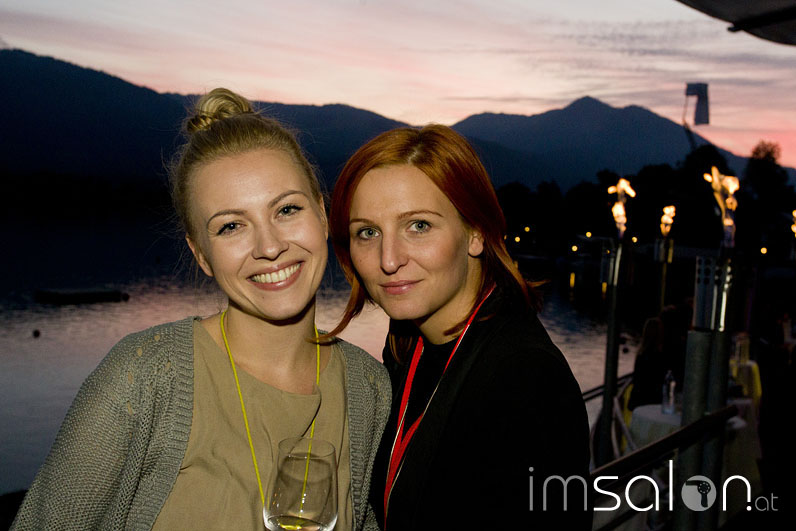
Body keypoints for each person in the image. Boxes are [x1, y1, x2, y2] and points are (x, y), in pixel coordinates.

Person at [12, 88, 391, 531]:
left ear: (322, 216)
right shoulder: (146, 378)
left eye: (287, 209)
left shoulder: (369, 389)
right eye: (231, 226)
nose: (270, 246)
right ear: (202, 255)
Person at [326, 125, 591, 529]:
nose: (388, 259)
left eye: (418, 226)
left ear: (476, 232)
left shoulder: (526, 379)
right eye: (368, 232)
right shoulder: (408, 344)